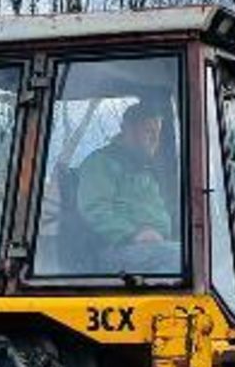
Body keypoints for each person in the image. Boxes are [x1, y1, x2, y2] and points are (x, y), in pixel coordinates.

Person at [74, 99, 178, 273]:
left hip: (151, 249)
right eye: (149, 131)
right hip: (115, 250)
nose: (155, 139)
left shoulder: (143, 169)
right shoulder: (101, 163)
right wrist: (134, 234)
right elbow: (95, 209)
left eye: (157, 134)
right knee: (181, 260)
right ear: (128, 130)